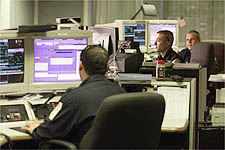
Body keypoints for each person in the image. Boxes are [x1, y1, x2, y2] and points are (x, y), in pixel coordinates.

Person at [21, 45, 126, 147]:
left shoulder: (74, 98)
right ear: (107, 67)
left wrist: (36, 129)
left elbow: (47, 133)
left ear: (80, 66)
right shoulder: (121, 94)